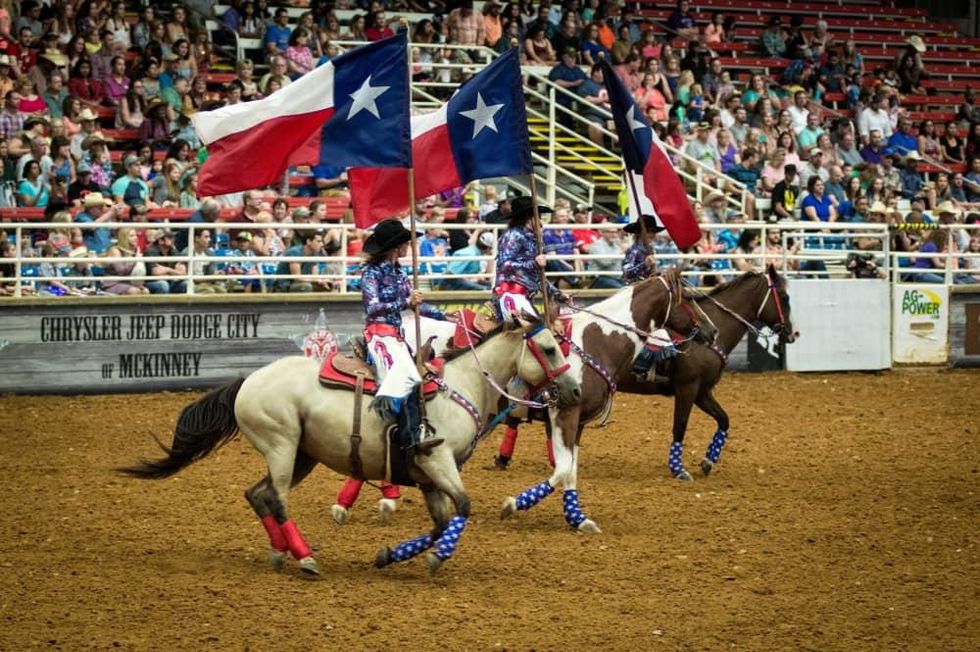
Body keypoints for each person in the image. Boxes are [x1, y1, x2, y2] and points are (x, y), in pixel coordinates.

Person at [360, 219, 445, 453]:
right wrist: (405, 302)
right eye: (406, 242)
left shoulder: (400, 272)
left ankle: (415, 429)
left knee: (418, 374)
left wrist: (445, 317)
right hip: (378, 334)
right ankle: (409, 440)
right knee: (408, 375)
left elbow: (419, 306)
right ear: (395, 247)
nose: (409, 246)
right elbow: (372, 308)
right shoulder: (371, 274)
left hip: (395, 335)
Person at [620, 214, 677, 383]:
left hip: (646, 291)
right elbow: (626, 272)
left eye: (653, 232)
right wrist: (644, 264)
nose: (652, 235)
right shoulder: (635, 251)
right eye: (649, 232)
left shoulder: (650, 250)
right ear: (639, 233)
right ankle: (640, 366)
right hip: (635, 292)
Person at [493, 195, 564, 321]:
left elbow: (537, 276)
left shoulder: (535, 239)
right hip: (510, 293)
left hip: (524, 296)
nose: (541, 222)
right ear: (528, 218)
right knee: (537, 332)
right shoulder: (513, 235)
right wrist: (533, 263)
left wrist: (555, 293)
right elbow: (505, 264)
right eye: (538, 217)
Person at [145, 229, 187, 294]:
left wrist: (166, 270)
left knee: (186, 284)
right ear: (160, 241)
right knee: (163, 285)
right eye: (169, 238)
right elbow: (156, 273)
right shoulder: (150, 252)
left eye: (173, 237)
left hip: (170, 281)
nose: (173, 239)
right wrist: (174, 272)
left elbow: (183, 273)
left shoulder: (174, 251)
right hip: (152, 283)